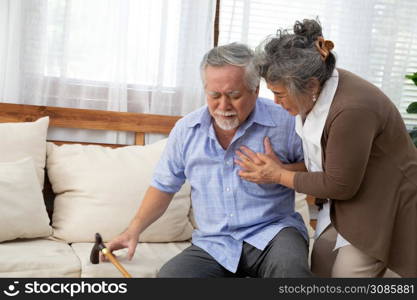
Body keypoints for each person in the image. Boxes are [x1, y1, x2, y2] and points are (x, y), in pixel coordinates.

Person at [104, 42, 312, 278]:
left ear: (255, 90)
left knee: (290, 272)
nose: (223, 106)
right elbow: (164, 186)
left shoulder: (285, 121)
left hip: (274, 233)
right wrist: (133, 230)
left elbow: (317, 171)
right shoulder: (187, 130)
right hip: (215, 243)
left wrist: (280, 172)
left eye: (234, 95)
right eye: (214, 95)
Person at [236, 19, 417, 278]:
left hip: (384, 205)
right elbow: (327, 166)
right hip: (351, 201)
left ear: (310, 84)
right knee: (319, 262)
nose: (275, 102)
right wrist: (280, 169)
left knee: (346, 274)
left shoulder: (351, 109)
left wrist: (277, 175)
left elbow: (340, 184)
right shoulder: (316, 91)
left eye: (280, 94)